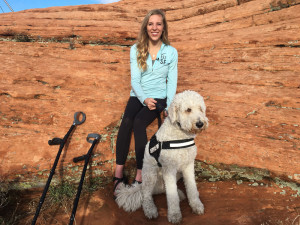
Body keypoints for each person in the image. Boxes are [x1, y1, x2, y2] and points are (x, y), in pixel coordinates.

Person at [113, 9, 178, 198]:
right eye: (151, 24)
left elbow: (172, 82)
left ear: (163, 27)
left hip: (159, 97)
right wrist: (143, 99)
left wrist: (167, 106)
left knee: (139, 123)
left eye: (158, 24)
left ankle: (140, 173)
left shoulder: (171, 52)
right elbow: (135, 80)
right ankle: (118, 173)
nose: (154, 27)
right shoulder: (136, 48)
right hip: (138, 95)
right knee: (126, 123)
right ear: (146, 27)